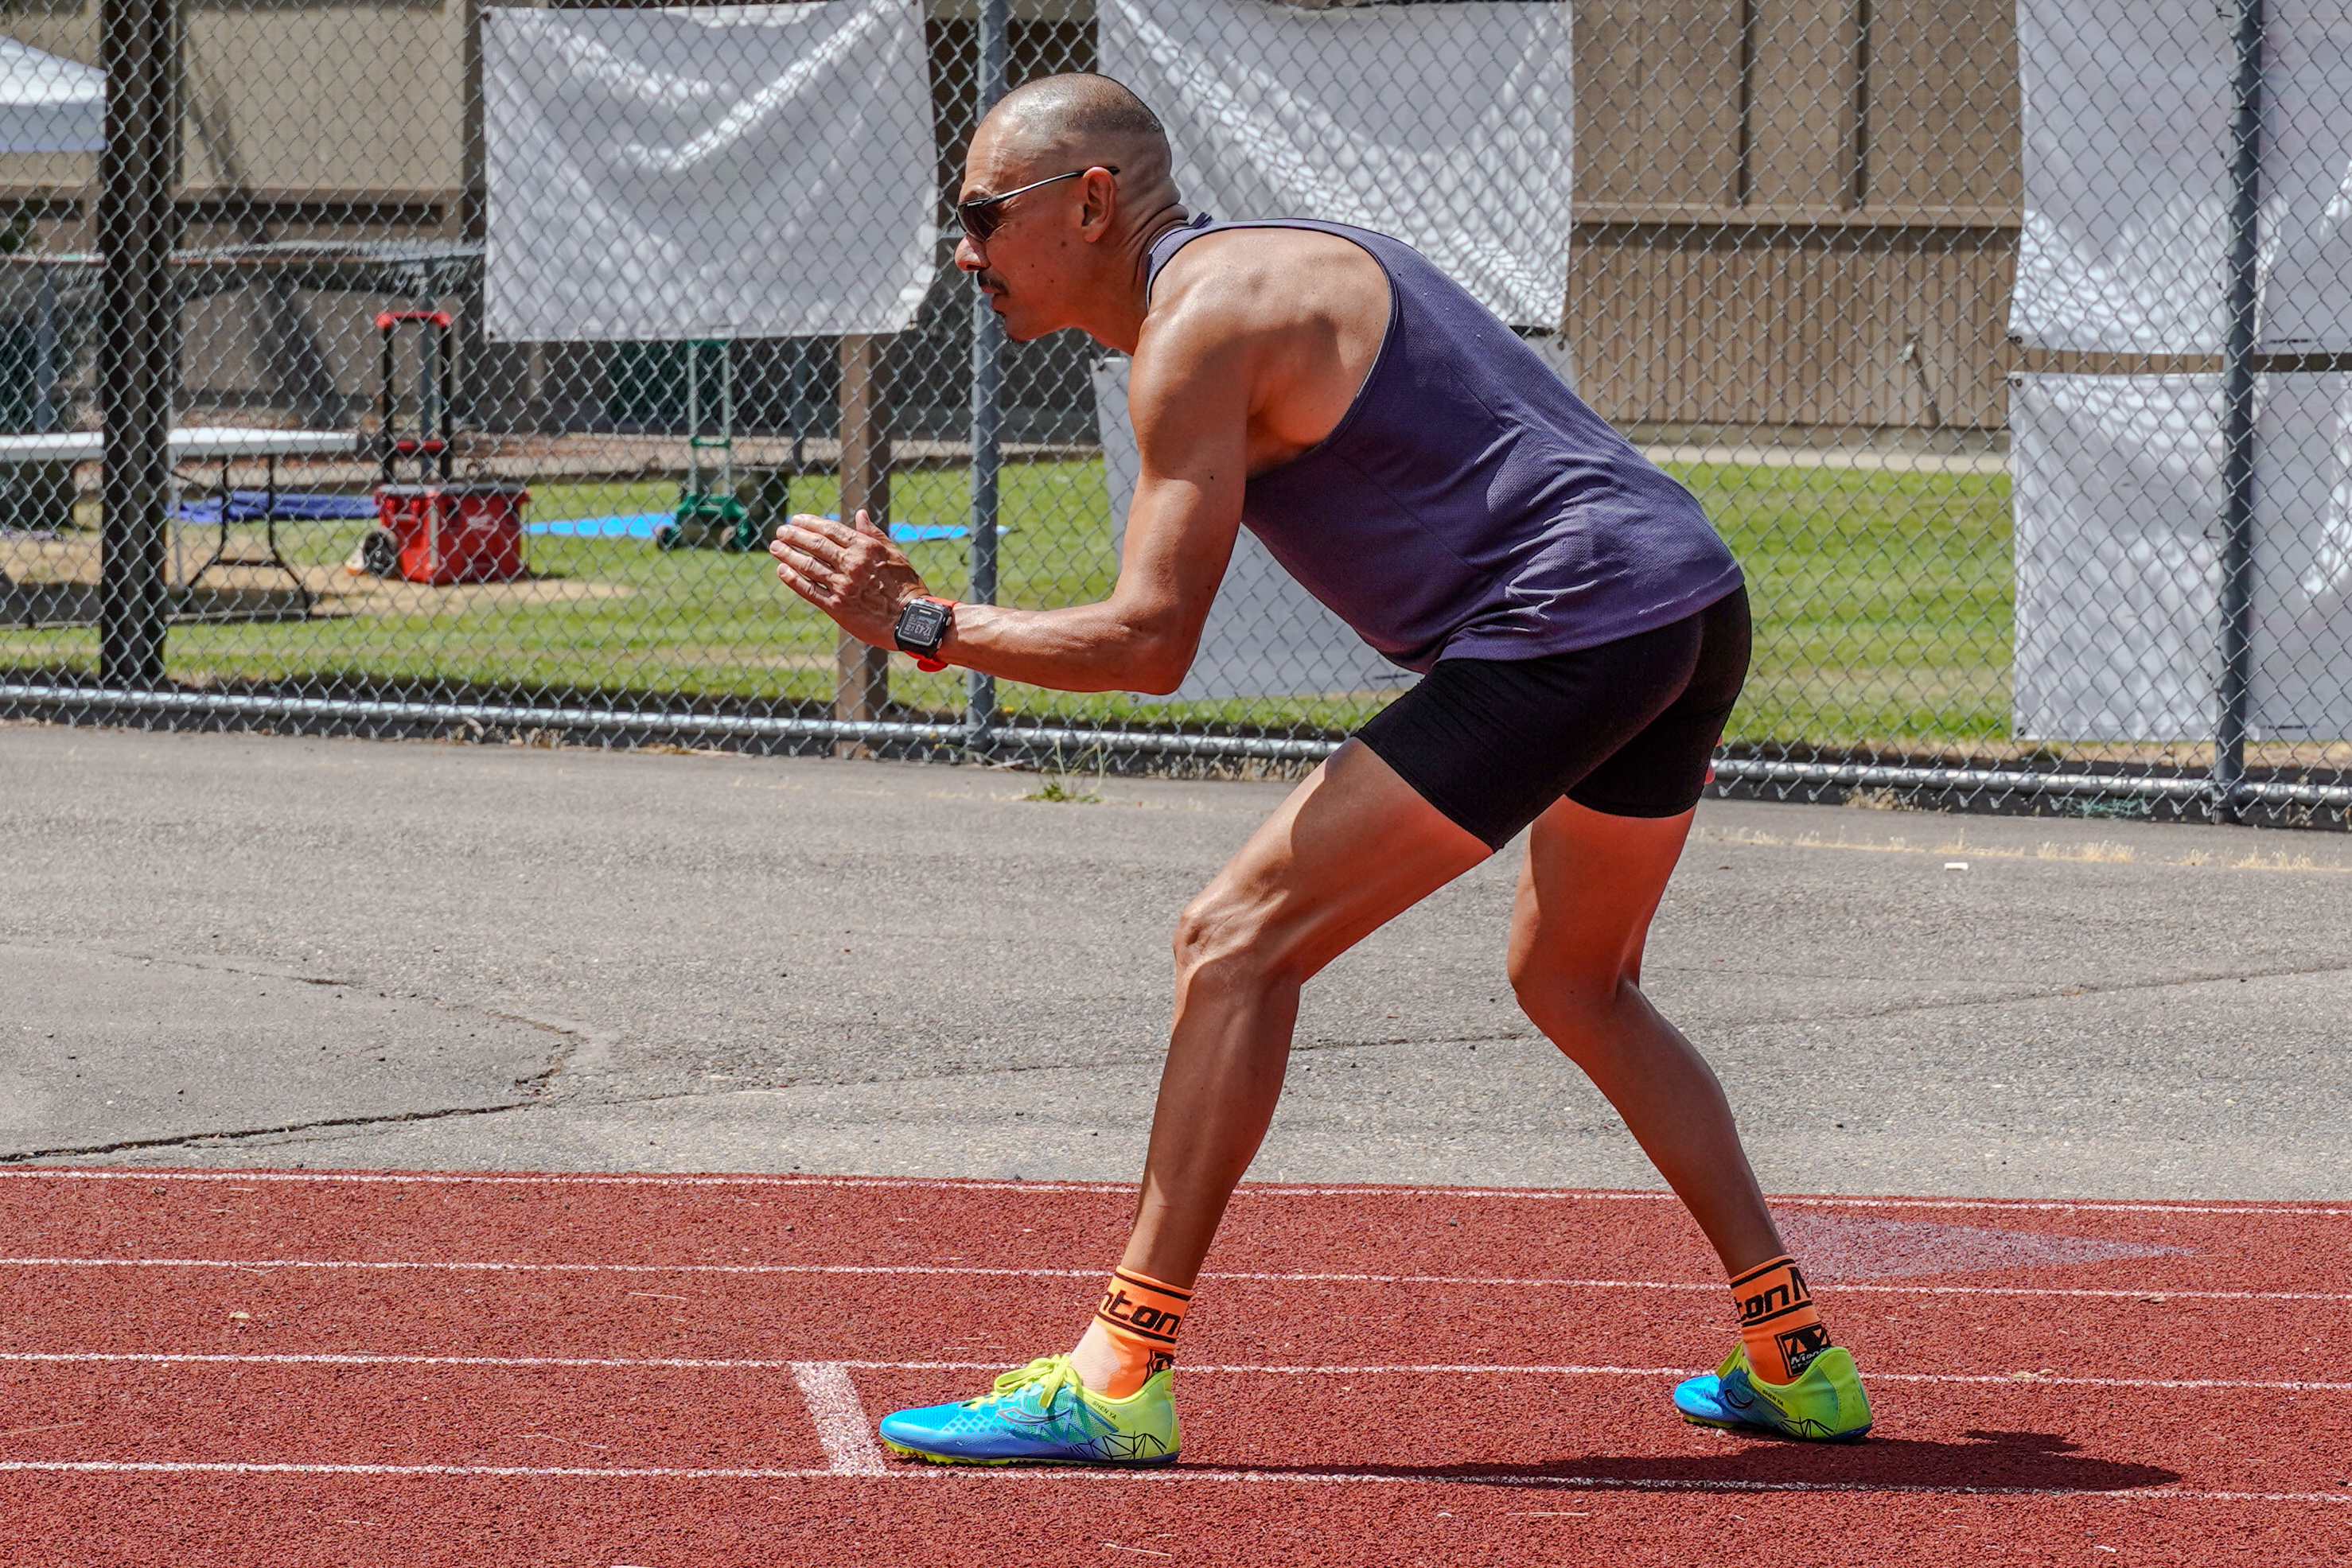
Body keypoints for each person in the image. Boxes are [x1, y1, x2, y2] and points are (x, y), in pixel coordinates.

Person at [768, 72, 1873, 1464]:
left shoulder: (1198, 328)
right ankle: (1794, 1352)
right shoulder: (1271, 269)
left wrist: (914, 625)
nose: (966, 250)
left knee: (1231, 943)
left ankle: (1117, 1374)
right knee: (1575, 980)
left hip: (1575, 625)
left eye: (985, 214)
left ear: (1093, 204)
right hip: (1689, 605)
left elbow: (1147, 642)